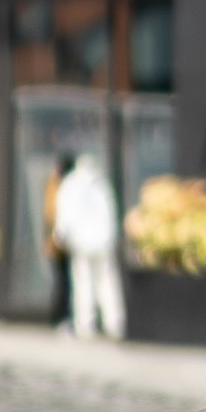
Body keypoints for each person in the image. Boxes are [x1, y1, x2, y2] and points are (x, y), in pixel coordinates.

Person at [51, 144, 128, 342]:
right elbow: (110, 212)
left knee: (83, 283)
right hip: (102, 242)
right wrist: (112, 237)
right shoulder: (101, 183)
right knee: (106, 283)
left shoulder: (71, 184)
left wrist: (60, 236)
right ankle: (114, 323)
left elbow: (65, 215)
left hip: (82, 242)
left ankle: (86, 325)